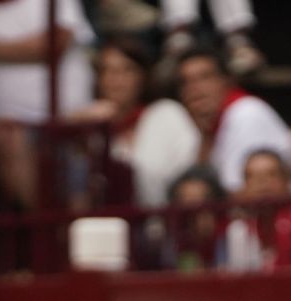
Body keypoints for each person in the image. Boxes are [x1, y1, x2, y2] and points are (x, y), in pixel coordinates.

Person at [0, 0, 95, 208]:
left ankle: (67, 231)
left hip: (69, 114)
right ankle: (47, 230)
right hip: (8, 122)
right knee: (7, 141)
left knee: (77, 196)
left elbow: (52, 44)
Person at [72, 36, 200, 208]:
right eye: (107, 71)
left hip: (168, 221)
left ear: (143, 76)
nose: (116, 81)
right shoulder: (90, 126)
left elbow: (189, 178)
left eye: (126, 70)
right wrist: (79, 124)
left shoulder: (167, 114)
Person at [175, 45, 291, 192]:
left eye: (205, 77)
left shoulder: (246, 113)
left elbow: (239, 194)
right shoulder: (209, 126)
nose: (194, 88)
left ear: (227, 80)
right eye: (186, 82)